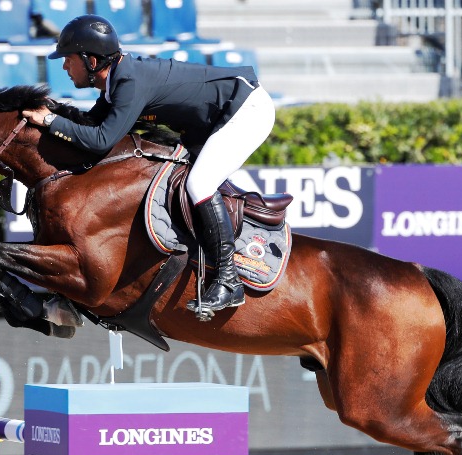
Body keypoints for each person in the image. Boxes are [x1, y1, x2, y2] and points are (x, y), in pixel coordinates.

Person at [21, 15, 275, 317]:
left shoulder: (129, 82)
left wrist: (50, 122)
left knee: (199, 184)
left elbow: (101, 140)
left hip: (246, 110)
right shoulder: (117, 82)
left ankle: (228, 278)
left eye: (68, 59)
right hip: (211, 120)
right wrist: (53, 113)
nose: (64, 66)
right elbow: (90, 124)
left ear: (90, 61)